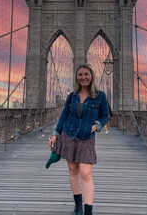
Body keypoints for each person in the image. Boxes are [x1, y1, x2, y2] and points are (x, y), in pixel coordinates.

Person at [49, 64, 109, 215]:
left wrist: (94, 127)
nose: (83, 77)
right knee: (73, 170)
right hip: (69, 135)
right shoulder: (72, 96)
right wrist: (55, 134)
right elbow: (64, 116)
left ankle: (88, 211)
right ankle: (77, 207)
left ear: (92, 75)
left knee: (86, 174)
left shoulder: (100, 96)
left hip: (87, 138)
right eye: (80, 74)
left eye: (86, 74)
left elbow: (105, 116)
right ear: (77, 77)